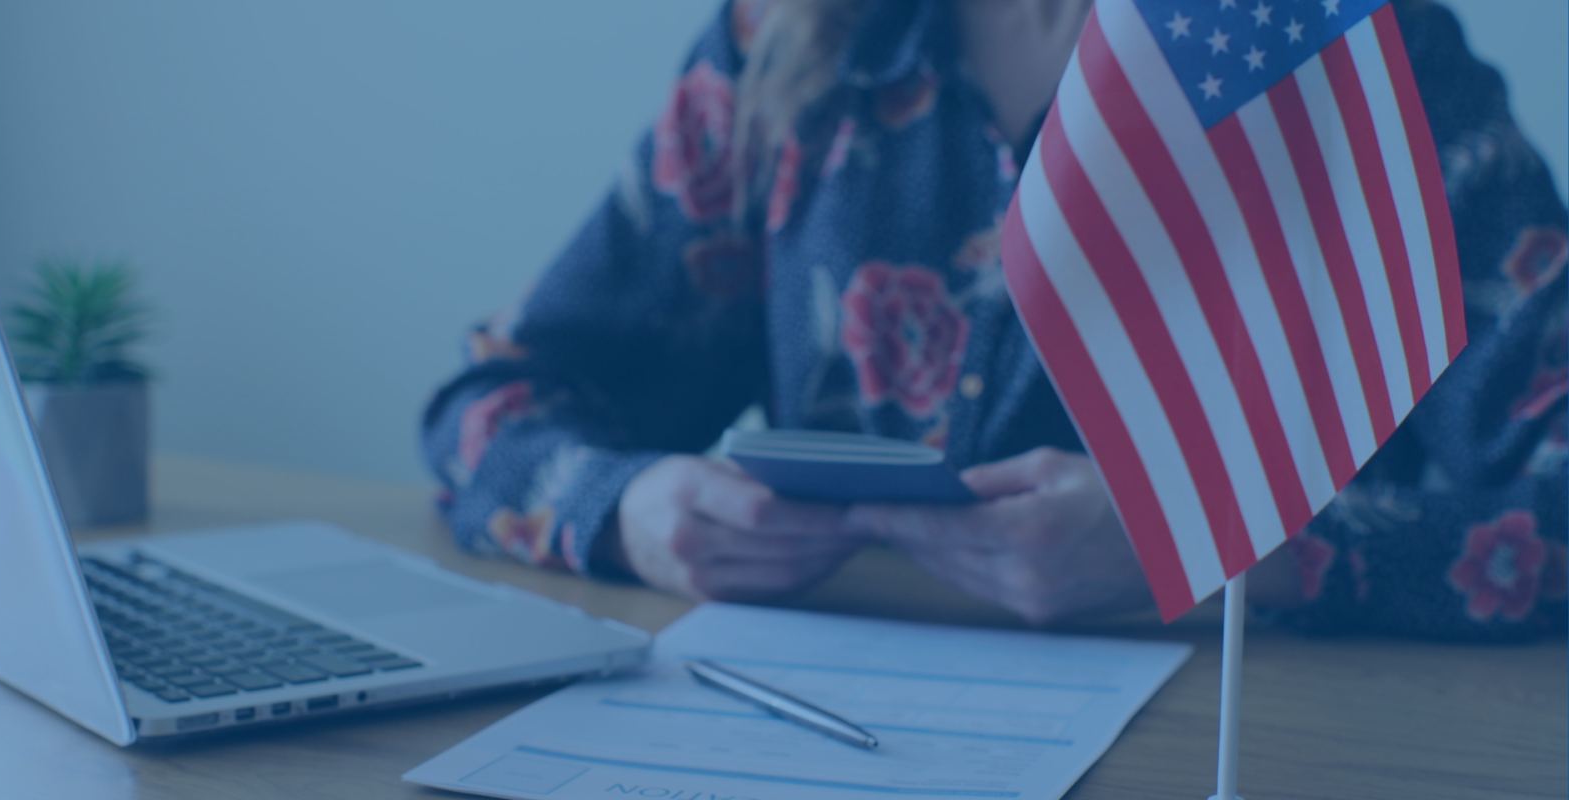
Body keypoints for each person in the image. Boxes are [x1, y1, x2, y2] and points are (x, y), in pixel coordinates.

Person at [422, 0, 1566, 639]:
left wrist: (1231, 550)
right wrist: (628, 507)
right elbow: (494, 404)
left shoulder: (1329, 41)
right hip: (823, 733)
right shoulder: (794, 38)